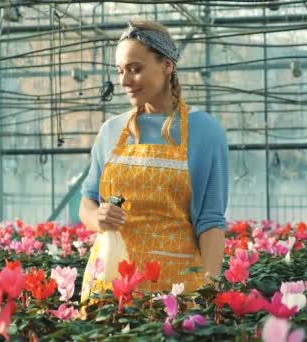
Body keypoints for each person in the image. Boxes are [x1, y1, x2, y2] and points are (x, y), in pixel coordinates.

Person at [79, 18, 228, 301]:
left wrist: (209, 295)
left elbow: (210, 222)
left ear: (167, 66)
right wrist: (97, 218)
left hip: (176, 288)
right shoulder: (111, 131)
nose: (124, 81)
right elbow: (87, 200)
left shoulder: (205, 132)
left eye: (135, 69)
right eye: (121, 71)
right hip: (110, 284)